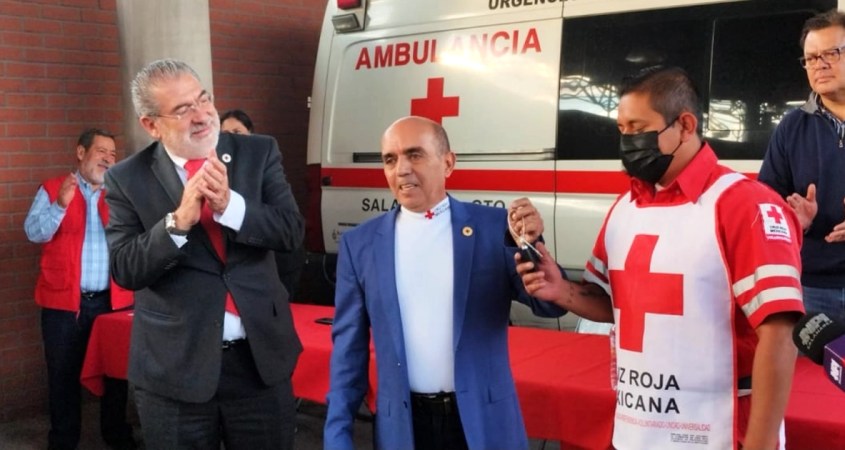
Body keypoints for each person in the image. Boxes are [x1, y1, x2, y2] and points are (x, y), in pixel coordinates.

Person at [519, 66, 804, 449]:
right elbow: (613, 303)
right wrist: (562, 291)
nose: (627, 141)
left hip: (720, 433)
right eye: (621, 129)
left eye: (638, 128)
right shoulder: (625, 207)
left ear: (685, 125)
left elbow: (779, 333)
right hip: (636, 431)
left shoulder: (744, 205)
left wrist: (761, 443)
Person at [324, 115, 566, 450]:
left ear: (448, 163)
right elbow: (348, 352)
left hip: (483, 424)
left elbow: (548, 305)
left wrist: (530, 245)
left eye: (415, 155)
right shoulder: (360, 244)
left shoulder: (495, 228)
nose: (402, 169)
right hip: (404, 430)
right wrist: (337, 435)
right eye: (390, 160)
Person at [104, 59, 304, 449]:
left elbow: (291, 231)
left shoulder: (258, 152)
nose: (201, 115)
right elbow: (125, 269)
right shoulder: (126, 177)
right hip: (175, 371)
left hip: (259, 363)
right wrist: (177, 223)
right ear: (151, 125)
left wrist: (232, 206)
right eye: (182, 109)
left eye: (203, 99)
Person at [24, 128, 136, 450]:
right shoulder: (52, 188)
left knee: (116, 374)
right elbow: (34, 232)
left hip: (113, 303)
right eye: (101, 151)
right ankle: (63, 441)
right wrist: (60, 205)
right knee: (62, 376)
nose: (108, 158)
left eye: (113, 154)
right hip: (64, 304)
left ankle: (116, 435)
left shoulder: (120, 195)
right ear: (80, 152)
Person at [758, 9, 845, 323]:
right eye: (811, 58)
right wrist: (794, 221)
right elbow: (766, 204)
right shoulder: (791, 126)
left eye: (831, 53)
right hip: (811, 286)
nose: (819, 64)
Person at [220, 108, 307, 299]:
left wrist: (231, 207)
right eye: (225, 134)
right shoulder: (220, 168)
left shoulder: (262, 159)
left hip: (275, 265)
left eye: (237, 133)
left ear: (250, 134)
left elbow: (290, 226)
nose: (232, 139)